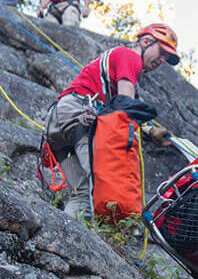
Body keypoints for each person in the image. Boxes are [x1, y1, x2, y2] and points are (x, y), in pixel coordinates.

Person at [43, 24, 180, 220]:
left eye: (167, 58)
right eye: (161, 52)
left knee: (82, 194)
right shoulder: (130, 57)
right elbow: (125, 106)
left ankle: (62, 234)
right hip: (78, 117)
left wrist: (150, 131)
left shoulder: (119, 59)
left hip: (57, 125)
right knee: (102, 185)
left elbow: (122, 107)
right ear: (147, 41)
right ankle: (103, 239)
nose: (162, 60)